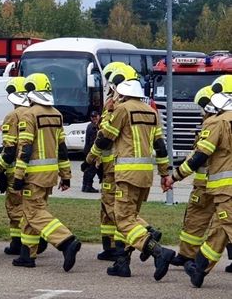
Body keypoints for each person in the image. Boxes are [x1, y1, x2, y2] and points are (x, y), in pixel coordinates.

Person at [88, 77, 175, 280]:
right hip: (145, 176)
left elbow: (105, 138)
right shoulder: (152, 112)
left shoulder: (122, 109)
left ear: (123, 94)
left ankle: (159, 252)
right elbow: (161, 147)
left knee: (123, 219)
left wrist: (91, 157)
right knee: (129, 218)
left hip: (126, 174)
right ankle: (122, 263)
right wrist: (164, 173)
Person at [164, 75, 232, 287]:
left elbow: (200, 156)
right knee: (219, 231)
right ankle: (199, 268)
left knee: (226, 226)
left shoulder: (217, 121)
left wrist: (174, 176)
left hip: (225, 189)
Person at [10, 73, 81, 271]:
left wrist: (17, 176)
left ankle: (66, 241)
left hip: (32, 174)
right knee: (30, 213)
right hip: (50, 174)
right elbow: (62, 148)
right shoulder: (56, 114)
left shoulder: (28, 115)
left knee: (34, 213)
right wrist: (65, 175)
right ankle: (27, 255)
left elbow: (24, 148)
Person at [0, 77, 29, 256]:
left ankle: (32, 240)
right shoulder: (34, 113)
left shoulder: (12, 116)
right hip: (34, 171)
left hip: (15, 171)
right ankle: (16, 243)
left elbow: (9, 149)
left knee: (15, 208)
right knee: (27, 207)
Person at [82, 110, 101, 193]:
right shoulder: (94, 127)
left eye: (95, 117)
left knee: (88, 169)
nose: (94, 118)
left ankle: (85, 186)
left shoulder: (89, 125)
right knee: (91, 170)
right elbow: (94, 141)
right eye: (93, 117)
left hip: (88, 150)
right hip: (92, 151)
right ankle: (88, 186)